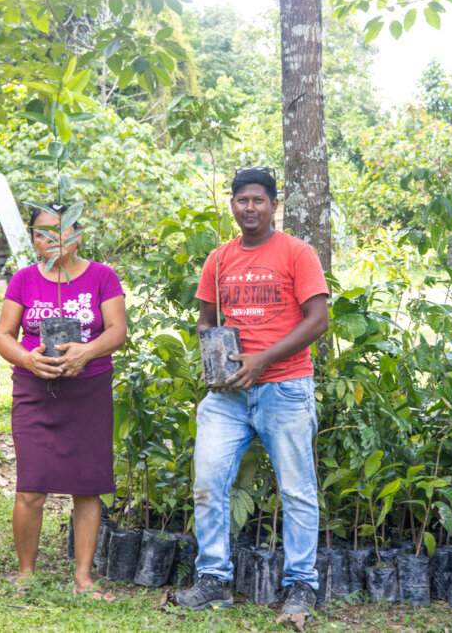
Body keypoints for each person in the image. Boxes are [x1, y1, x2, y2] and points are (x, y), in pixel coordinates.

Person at [173, 167, 329, 616]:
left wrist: (262, 359)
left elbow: (317, 321)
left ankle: (302, 584)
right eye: (242, 200)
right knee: (207, 484)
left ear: (274, 205)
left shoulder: (297, 254)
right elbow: (205, 321)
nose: (250, 208)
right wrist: (217, 357)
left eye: (259, 200)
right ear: (232, 205)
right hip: (227, 397)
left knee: (297, 491)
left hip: (285, 388)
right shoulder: (219, 260)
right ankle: (215, 579)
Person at [0, 203, 127, 599]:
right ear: (33, 239)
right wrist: (26, 358)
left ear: (77, 235)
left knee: (88, 487)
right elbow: (3, 335)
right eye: (42, 233)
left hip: (88, 392)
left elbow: (117, 330)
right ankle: (25, 574)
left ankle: (84, 579)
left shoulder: (102, 277)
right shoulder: (23, 280)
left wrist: (86, 352)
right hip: (35, 393)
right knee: (30, 488)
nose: (51, 240)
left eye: (60, 231)